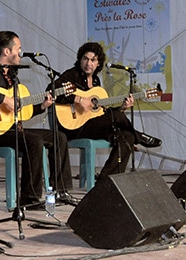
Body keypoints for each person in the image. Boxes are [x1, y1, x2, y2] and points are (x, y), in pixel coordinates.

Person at [0, 30, 76, 208]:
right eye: (18, 48)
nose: (20, 52)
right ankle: (29, 199)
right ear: (6, 51)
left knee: (59, 137)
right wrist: (4, 99)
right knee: (34, 141)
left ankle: (60, 190)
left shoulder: (11, 75)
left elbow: (20, 111)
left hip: (13, 129)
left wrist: (42, 106)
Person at [49, 41, 162, 181]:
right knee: (117, 117)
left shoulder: (96, 81)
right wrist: (78, 99)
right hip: (72, 128)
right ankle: (140, 136)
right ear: (80, 60)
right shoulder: (72, 75)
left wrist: (122, 108)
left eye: (93, 60)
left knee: (127, 136)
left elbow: (101, 111)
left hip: (92, 126)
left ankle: (106, 180)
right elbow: (51, 90)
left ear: (98, 63)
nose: (88, 63)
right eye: (85, 58)